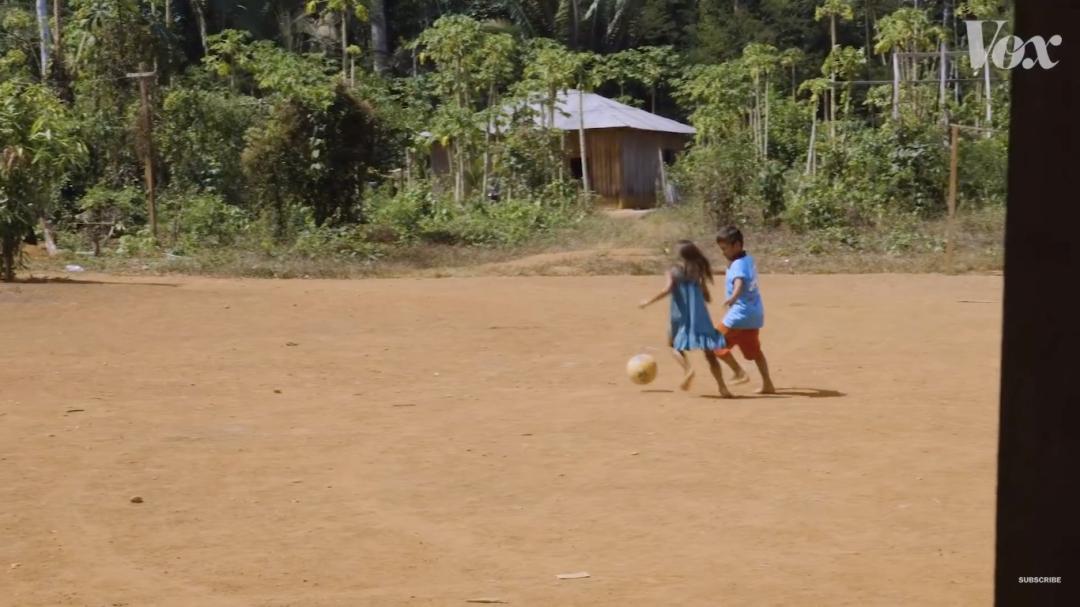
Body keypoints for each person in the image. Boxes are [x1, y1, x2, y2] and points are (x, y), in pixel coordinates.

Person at [639, 240, 733, 398]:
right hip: (699, 315)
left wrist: (648, 301)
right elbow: (705, 293)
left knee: (673, 346)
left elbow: (667, 289)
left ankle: (688, 369)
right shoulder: (697, 268)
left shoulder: (673, 270)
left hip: (679, 314)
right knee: (709, 353)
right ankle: (723, 387)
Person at [713, 226, 776, 394]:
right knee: (755, 352)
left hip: (740, 314)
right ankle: (768, 384)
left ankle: (738, 372)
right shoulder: (747, 260)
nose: (723, 252)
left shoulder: (738, 264)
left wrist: (733, 297)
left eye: (725, 248)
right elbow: (735, 273)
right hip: (754, 315)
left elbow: (739, 281)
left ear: (737, 245)